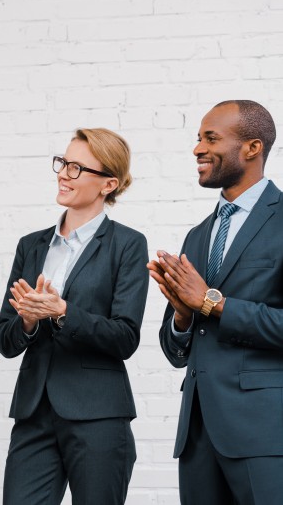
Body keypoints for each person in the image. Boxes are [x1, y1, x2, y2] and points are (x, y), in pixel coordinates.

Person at [0, 128, 147, 505]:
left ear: (108, 184)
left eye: (77, 167)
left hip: (98, 413)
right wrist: (28, 321)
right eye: (63, 163)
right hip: (34, 412)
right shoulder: (31, 245)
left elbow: (125, 337)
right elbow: (4, 339)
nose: (63, 173)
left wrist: (63, 313)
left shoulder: (128, 245)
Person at [150, 100, 283, 504]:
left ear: (252, 148)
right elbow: (178, 351)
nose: (197, 149)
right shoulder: (198, 235)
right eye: (197, 139)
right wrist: (182, 316)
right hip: (198, 437)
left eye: (211, 138)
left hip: (264, 434)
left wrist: (211, 302)